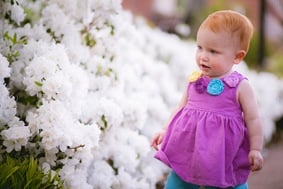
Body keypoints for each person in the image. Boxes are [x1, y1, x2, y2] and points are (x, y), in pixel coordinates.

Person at [151, 10, 264, 189]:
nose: (203, 56)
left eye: (213, 51)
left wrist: (255, 149)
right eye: (200, 47)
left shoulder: (240, 86)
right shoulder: (195, 80)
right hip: (188, 147)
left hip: (221, 154)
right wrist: (166, 130)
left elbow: (253, 118)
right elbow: (181, 107)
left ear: (237, 56)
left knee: (224, 183)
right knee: (180, 179)